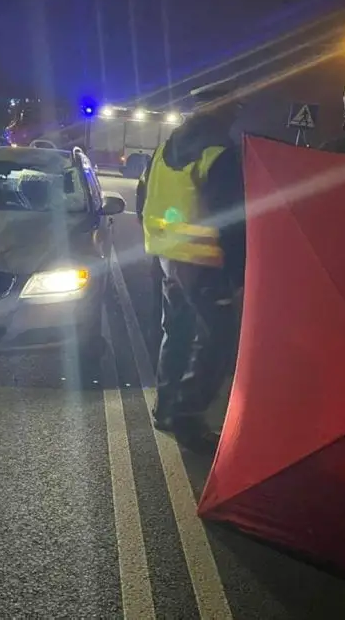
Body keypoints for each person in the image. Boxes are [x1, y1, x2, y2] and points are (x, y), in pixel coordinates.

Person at [140, 80, 245, 449]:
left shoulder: (165, 147)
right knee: (217, 341)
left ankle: (166, 406)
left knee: (178, 331)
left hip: (167, 257)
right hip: (203, 261)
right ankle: (187, 416)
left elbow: (143, 196)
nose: (235, 114)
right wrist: (238, 272)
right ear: (220, 108)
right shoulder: (219, 153)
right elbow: (230, 219)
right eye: (232, 106)